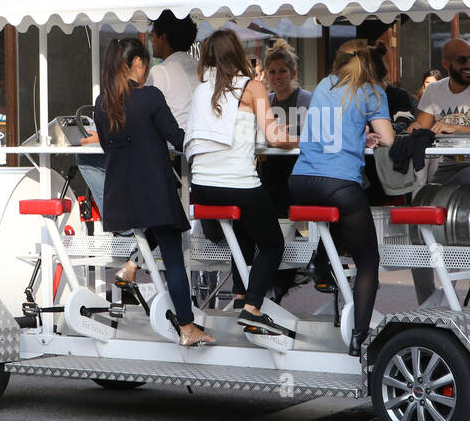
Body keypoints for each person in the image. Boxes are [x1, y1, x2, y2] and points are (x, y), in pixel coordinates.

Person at [96, 37, 213, 347]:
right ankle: (187, 327)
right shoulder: (150, 97)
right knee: (173, 256)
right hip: (155, 192)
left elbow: (108, 147)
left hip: (121, 196)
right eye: (146, 63)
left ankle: (131, 266)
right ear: (137, 64)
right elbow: (177, 138)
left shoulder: (102, 102)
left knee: (162, 238)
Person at [186, 29, 296, 338]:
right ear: (237, 53)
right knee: (274, 243)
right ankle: (252, 308)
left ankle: (238, 296)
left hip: (202, 187)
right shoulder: (252, 87)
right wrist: (302, 139)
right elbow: (273, 137)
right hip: (238, 183)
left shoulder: (201, 90)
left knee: (245, 229)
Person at [290, 39, 395, 356]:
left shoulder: (324, 84)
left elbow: (332, 128)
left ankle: (320, 263)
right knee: (368, 262)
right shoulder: (371, 92)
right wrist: (372, 130)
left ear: (338, 62)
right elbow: (389, 138)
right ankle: (359, 337)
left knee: (339, 213)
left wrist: (360, 132)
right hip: (337, 183)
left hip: (300, 181)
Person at [411, 38, 470, 187]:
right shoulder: (434, 90)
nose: (469, 65)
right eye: (462, 60)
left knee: (458, 185)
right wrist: (415, 127)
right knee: (426, 194)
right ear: (446, 64)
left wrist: (458, 129)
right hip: (446, 163)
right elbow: (422, 126)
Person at [259, 39, 311, 216]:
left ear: (293, 73)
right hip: (270, 173)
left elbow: (312, 137)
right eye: (272, 72)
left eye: (282, 71)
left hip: (298, 170)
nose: (277, 76)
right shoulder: (266, 100)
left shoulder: (306, 99)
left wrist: (284, 137)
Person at [146, 9, 200, 132]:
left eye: (153, 35)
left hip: (173, 145)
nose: (151, 41)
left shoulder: (159, 72)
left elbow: (147, 112)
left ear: (163, 38)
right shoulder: (202, 68)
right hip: (201, 142)